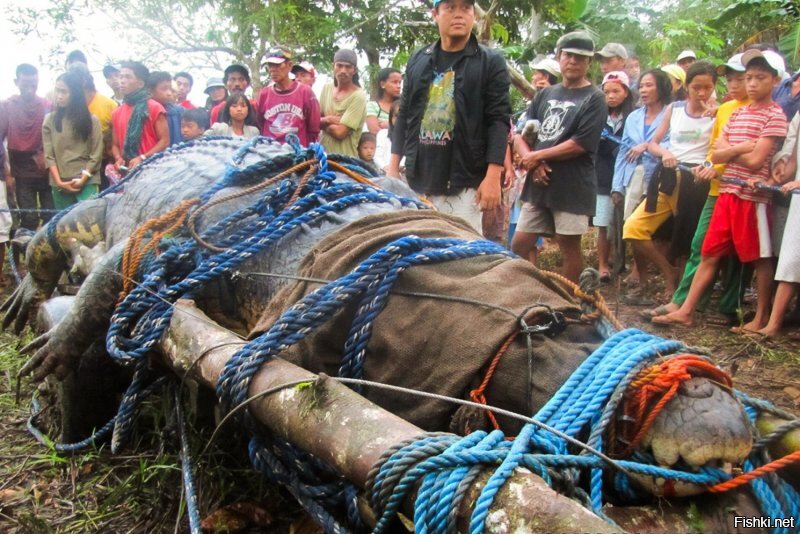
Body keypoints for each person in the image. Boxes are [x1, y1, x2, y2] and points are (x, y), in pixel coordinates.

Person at [652, 50, 787, 331]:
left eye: (759, 78)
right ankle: (687, 310)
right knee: (709, 252)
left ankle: (760, 317)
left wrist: (729, 152)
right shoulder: (736, 112)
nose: (751, 83)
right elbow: (718, 151)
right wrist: (738, 148)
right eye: (748, 78)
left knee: (758, 256)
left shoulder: (775, 116)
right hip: (726, 192)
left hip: (752, 197)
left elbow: (755, 161)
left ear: (774, 80)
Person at [387, 0, 510, 235]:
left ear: (474, 15)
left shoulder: (490, 62)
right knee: (414, 254)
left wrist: (493, 176)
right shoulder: (418, 59)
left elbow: (498, 120)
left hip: (464, 183)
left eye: (466, 8)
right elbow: (405, 116)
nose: (459, 15)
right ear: (435, 14)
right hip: (418, 179)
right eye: (450, 7)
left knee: (459, 259)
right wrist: (393, 168)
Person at [645, 54, 749, 323]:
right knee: (702, 245)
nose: (737, 83)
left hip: (746, 189)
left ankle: (729, 308)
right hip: (717, 188)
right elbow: (716, 150)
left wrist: (721, 161)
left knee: (740, 251)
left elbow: (754, 154)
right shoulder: (725, 109)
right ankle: (684, 303)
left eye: (743, 78)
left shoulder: (758, 111)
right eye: (732, 79)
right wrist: (711, 164)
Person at [511, 31, 606, 282]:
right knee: (520, 243)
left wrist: (536, 157)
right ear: (559, 57)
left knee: (568, 244)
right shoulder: (544, 94)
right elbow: (520, 135)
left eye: (579, 57)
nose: (573, 61)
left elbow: (581, 144)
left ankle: (569, 302)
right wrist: (534, 161)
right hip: (540, 182)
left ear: (589, 62)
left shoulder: (595, 98)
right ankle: (523, 293)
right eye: (568, 55)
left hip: (573, 184)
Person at [623, 62, 717, 300]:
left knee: (686, 238)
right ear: (686, 87)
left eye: (707, 87)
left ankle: (680, 294)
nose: (702, 93)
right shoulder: (674, 109)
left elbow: (720, 150)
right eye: (697, 87)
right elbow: (654, 143)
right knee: (633, 228)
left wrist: (706, 166)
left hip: (696, 183)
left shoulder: (719, 114)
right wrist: (665, 153)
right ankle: (669, 273)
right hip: (667, 178)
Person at [611, 69, 672, 285]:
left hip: (661, 177)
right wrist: (617, 186)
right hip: (633, 177)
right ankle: (642, 276)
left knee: (654, 230)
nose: (644, 90)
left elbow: (673, 144)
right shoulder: (634, 117)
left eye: (649, 85)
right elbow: (623, 151)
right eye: (642, 86)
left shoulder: (672, 113)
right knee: (631, 226)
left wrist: (646, 146)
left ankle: (664, 274)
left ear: (662, 87)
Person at [757, 112, 800, 338]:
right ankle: (774, 323)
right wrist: (780, 175)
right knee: (791, 260)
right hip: (798, 196)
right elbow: (794, 155)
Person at [0, 63, 53, 230]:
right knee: (28, 218)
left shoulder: (47, 106)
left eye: (34, 84)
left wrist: (46, 154)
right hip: (22, 172)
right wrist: (6, 174)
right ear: (16, 82)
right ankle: (26, 253)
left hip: (46, 170)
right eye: (25, 84)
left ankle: (48, 255)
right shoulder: (8, 106)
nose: (30, 89)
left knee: (50, 217)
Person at [42, 71, 103, 209]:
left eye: (64, 92)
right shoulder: (50, 120)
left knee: (88, 224)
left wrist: (83, 179)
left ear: (75, 94)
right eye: (57, 91)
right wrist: (59, 182)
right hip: (59, 182)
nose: (59, 96)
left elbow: (96, 154)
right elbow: (49, 155)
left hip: (87, 181)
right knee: (63, 226)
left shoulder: (92, 121)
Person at [595, 71, 635, 281]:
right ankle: (603, 265)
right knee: (603, 223)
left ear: (626, 92)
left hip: (628, 176)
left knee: (627, 222)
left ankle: (626, 264)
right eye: (606, 92)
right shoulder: (597, 116)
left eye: (615, 91)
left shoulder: (634, 117)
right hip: (602, 177)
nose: (610, 96)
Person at [110, 61, 169, 172]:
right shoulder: (116, 113)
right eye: (121, 76)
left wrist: (143, 157)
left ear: (140, 84)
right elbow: (115, 145)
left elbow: (165, 141)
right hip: (127, 172)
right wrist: (118, 159)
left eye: (127, 77)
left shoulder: (154, 107)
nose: (122, 81)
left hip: (152, 169)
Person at [258, 46, 320, 146]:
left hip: (297, 155)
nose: (273, 70)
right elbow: (260, 124)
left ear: (289, 65)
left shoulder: (305, 92)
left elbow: (313, 129)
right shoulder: (264, 94)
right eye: (270, 65)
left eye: (278, 65)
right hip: (269, 154)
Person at [319, 49, 368, 157]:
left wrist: (323, 124)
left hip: (345, 162)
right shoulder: (326, 88)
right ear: (333, 67)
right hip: (322, 159)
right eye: (339, 66)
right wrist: (328, 120)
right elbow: (313, 122)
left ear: (354, 70)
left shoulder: (358, 96)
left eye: (348, 67)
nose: (343, 70)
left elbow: (340, 133)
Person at [148, 71, 183, 145]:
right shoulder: (144, 112)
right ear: (150, 91)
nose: (169, 93)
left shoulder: (178, 111)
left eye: (170, 89)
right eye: (164, 89)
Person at [366, 68, 402, 134]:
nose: (398, 86)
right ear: (382, 84)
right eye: (394, 82)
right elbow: (374, 130)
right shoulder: (372, 106)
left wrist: (388, 125)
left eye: (400, 82)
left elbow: (407, 129)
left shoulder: (403, 106)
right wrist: (396, 126)